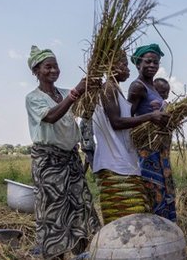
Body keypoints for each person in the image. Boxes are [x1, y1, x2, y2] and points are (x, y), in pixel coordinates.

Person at [25, 45, 100, 259]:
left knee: (81, 206)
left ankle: (83, 253)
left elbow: (85, 109)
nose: (53, 70)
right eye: (48, 67)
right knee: (52, 211)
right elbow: (51, 117)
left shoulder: (65, 93)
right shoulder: (33, 98)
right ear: (36, 71)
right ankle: (55, 256)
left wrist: (93, 89)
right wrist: (77, 92)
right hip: (48, 162)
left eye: (56, 66)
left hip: (70, 159)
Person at [92, 51, 169, 225]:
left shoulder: (115, 89)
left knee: (134, 217)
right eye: (124, 65)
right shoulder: (108, 88)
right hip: (113, 164)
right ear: (110, 66)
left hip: (124, 163)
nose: (127, 69)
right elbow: (116, 122)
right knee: (124, 221)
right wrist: (150, 117)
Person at [127, 44, 177, 221]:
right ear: (138, 63)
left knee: (165, 189)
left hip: (160, 149)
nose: (152, 65)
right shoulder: (137, 87)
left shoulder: (154, 88)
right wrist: (150, 117)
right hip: (147, 150)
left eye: (155, 62)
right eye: (148, 61)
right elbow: (128, 118)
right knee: (153, 191)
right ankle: (157, 232)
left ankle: (168, 232)